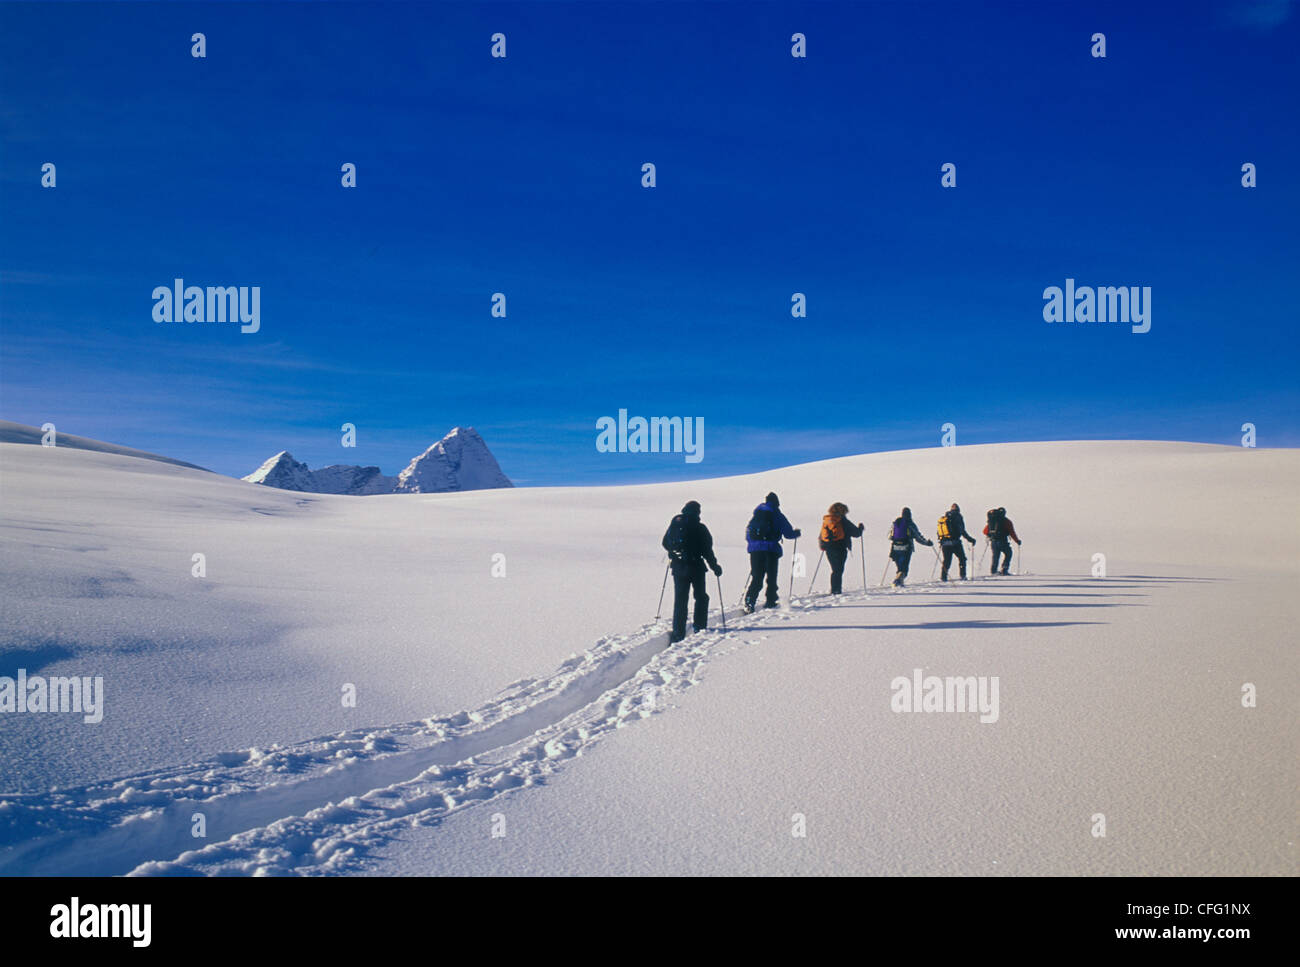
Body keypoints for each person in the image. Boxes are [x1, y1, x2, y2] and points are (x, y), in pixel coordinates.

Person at [661, 500, 722, 643]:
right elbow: (707, 550)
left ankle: (678, 633)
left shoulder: (675, 523)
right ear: (698, 512)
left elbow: (665, 543)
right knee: (701, 597)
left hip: (678, 568)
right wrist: (715, 567)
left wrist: (674, 553)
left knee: (680, 601)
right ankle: (699, 628)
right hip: (696, 568)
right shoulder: (700, 528)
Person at [744, 491, 801, 612]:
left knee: (757, 577)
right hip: (771, 549)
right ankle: (770, 600)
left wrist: (755, 545)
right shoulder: (777, 514)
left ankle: (749, 601)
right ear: (777, 503)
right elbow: (788, 533)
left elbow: (748, 535)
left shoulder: (756, 515)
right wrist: (796, 533)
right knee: (771, 577)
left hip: (755, 551)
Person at [818, 502, 865, 595]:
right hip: (840, 547)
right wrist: (861, 528)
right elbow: (856, 533)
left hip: (829, 548)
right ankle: (836, 590)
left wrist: (823, 545)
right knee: (838, 570)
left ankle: (835, 589)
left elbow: (821, 535)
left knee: (835, 570)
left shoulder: (827, 520)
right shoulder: (843, 521)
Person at [888, 507, 933, 587]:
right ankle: (898, 581)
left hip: (895, 548)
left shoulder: (896, 523)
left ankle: (899, 580)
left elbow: (889, 536)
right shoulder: (910, 523)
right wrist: (927, 543)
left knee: (900, 566)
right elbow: (918, 537)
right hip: (906, 548)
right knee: (904, 568)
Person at [937, 502, 977, 581]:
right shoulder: (958, 517)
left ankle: (943, 577)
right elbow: (961, 530)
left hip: (945, 543)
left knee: (947, 561)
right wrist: (970, 539)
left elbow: (938, 532)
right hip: (955, 542)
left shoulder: (944, 518)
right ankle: (963, 576)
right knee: (962, 559)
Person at [983, 507, 1022, 575]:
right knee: (1008, 554)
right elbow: (1012, 532)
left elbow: (984, 531)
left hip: (993, 542)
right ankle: (1004, 569)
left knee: (995, 556)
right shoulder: (1007, 521)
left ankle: (993, 571)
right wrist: (1017, 541)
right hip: (1003, 541)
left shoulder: (992, 520)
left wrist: (991, 535)